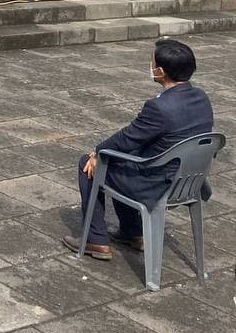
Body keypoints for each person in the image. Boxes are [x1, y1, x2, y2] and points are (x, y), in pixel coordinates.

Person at [61, 38, 213, 260]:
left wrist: (98, 152)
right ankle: (133, 232)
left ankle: (96, 240)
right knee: (125, 158)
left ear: (160, 71)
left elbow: (128, 137)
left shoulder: (159, 108)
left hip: (159, 183)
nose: (150, 67)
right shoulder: (201, 97)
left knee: (90, 164)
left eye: (151, 63)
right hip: (190, 180)